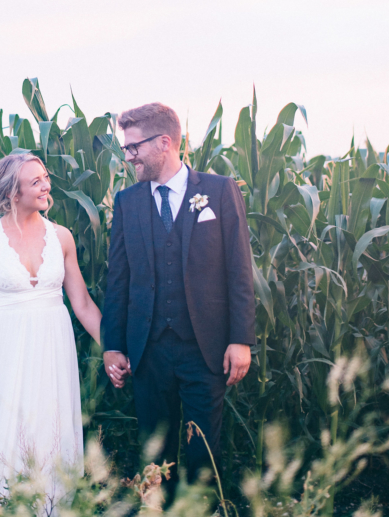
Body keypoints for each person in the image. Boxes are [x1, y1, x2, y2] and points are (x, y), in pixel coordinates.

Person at [102, 102, 255, 497]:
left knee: (203, 452)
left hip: (206, 348)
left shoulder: (219, 191)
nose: (129, 156)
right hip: (148, 350)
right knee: (155, 455)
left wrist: (241, 340)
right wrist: (113, 346)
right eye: (126, 149)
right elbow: (118, 280)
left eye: (134, 147)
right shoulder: (127, 202)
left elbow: (239, 269)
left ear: (164, 142)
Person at [0, 151, 102, 512]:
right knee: (5, 438)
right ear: (13, 192)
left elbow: (82, 305)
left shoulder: (62, 237)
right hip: (6, 355)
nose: (46, 185)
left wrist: (115, 348)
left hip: (54, 354)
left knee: (49, 435)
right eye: (35, 181)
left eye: (45, 177)